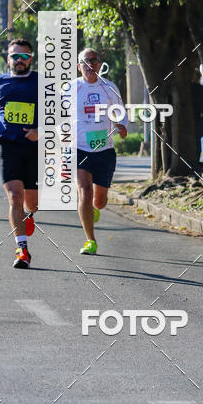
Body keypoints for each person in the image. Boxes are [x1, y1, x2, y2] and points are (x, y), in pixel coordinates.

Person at [0, 39, 38, 269]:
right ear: (8, 58)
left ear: (30, 59)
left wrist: (40, 131)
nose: (19, 60)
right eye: (15, 56)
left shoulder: (41, 82)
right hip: (6, 145)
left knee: (31, 202)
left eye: (24, 56)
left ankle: (28, 214)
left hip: (35, 147)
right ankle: (22, 249)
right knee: (14, 195)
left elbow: (59, 112)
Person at [75, 49, 128, 255]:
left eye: (93, 61)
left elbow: (120, 112)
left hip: (104, 149)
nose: (89, 65)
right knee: (85, 192)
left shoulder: (109, 88)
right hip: (80, 148)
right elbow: (59, 116)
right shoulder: (71, 88)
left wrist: (121, 125)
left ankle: (94, 209)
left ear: (99, 64)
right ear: (79, 65)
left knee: (99, 201)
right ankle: (90, 240)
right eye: (85, 61)